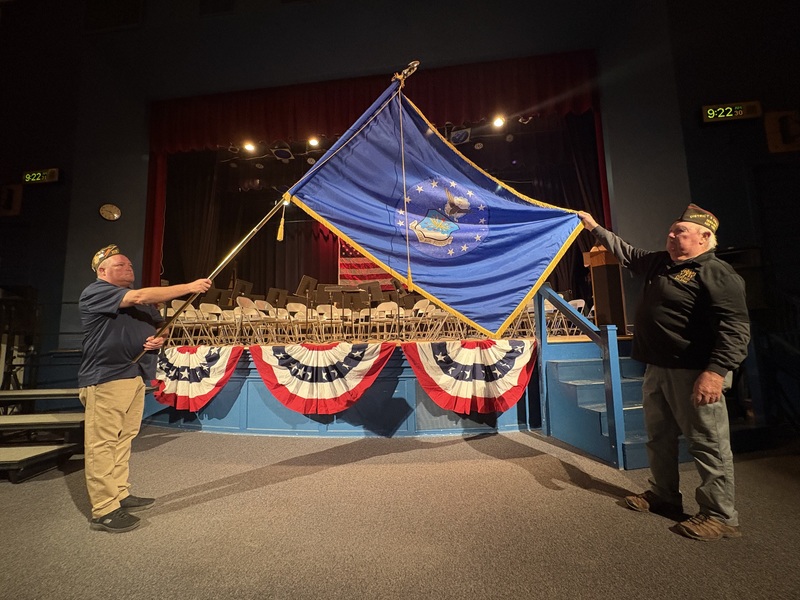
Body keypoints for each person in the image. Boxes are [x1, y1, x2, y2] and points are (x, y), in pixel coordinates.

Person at [577, 204, 750, 541]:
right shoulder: (661, 262)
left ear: (704, 238)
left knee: (708, 444)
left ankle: (720, 515)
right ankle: (664, 497)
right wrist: (595, 228)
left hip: (694, 371)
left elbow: (736, 327)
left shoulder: (716, 272)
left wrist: (715, 372)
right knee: (659, 438)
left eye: (679, 232)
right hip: (657, 367)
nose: (670, 236)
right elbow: (626, 252)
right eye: (670, 231)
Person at [78, 244, 212, 533]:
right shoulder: (97, 291)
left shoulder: (139, 304)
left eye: (129, 265)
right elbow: (140, 294)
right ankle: (104, 509)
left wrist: (156, 341)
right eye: (120, 265)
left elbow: (156, 329)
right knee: (102, 444)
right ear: (102, 271)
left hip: (133, 375)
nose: (129, 268)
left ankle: (120, 493)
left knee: (124, 439)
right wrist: (188, 286)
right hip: (106, 377)